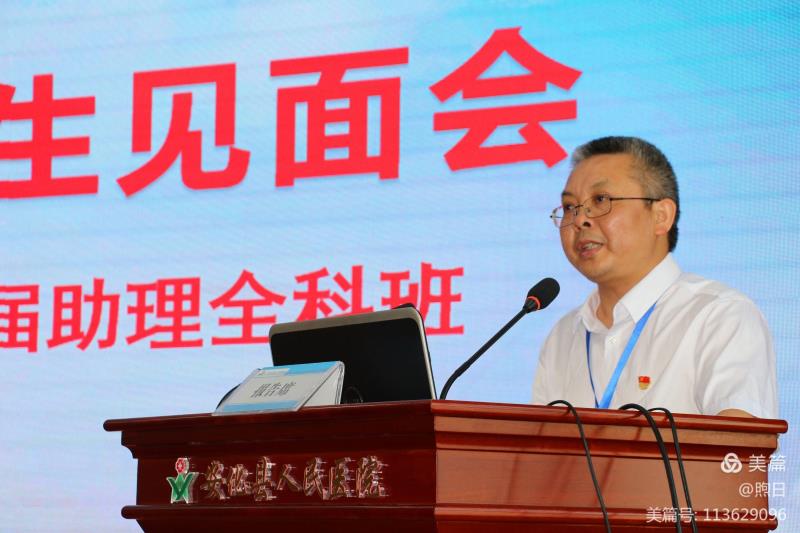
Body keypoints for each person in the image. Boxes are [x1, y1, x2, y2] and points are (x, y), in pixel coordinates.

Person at [532, 136, 778, 418]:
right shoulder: (564, 336)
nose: (579, 220)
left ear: (661, 216)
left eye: (601, 200)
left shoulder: (719, 316)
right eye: (569, 207)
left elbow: (737, 444)